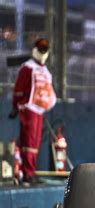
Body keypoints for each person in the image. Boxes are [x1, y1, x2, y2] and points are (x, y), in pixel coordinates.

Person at [8, 38, 57, 185]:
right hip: (28, 109)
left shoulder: (45, 71)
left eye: (45, 49)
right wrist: (15, 106)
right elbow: (19, 89)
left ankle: (30, 172)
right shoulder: (27, 68)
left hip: (39, 111)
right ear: (35, 49)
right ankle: (26, 174)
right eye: (40, 49)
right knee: (28, 141)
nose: (42, 52)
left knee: (35, 142)